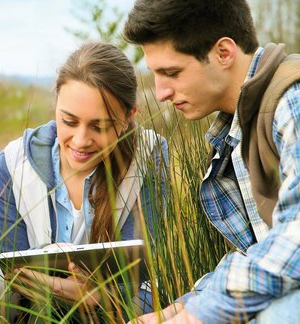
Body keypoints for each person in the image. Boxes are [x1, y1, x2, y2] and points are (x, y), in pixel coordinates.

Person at [123, 0, 300, 323]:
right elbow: (259, 254)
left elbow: (297, 241)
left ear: (223, 52)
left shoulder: (293, 100)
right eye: (155, 75)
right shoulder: (240, 129)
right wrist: (179, 309)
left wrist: (196, 318)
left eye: (172, 73)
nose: (161, 92)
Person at [0, 42, 168, 320]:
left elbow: (140, 272)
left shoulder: (149, 157)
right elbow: (9, 268)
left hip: (118, 308)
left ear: (128, 118)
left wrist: (97, 296)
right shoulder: (13, 162)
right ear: (56, 105)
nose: (81, 141)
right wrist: (50, 273)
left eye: (100, 126)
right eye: (69, 122)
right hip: (35, 303)